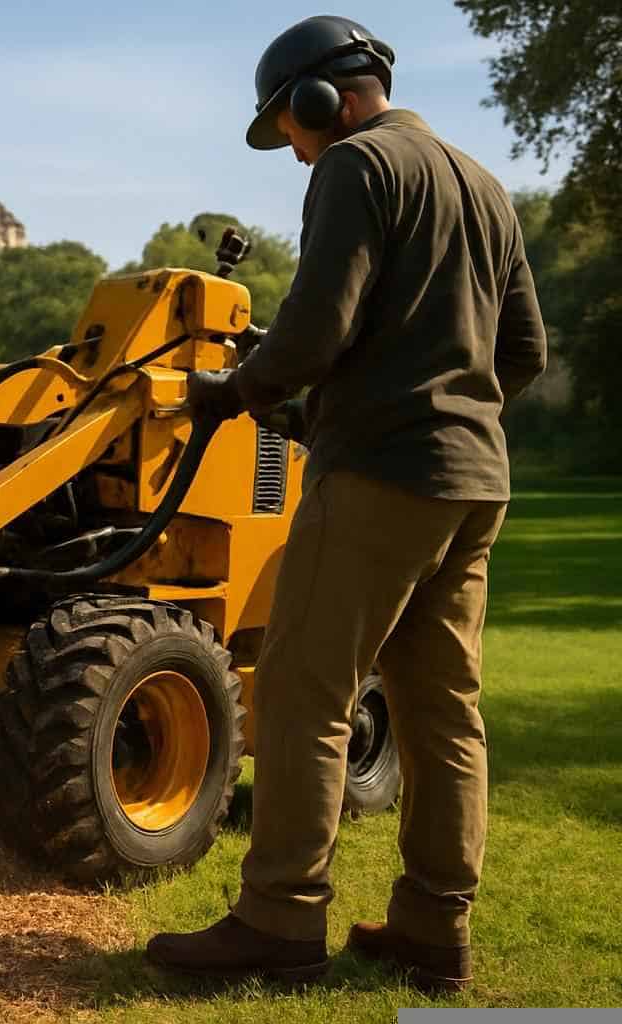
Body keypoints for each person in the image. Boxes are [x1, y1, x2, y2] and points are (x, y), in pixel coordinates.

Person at [145, 14, 547, 991]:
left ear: (325, 97)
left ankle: (279, 920)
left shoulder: (357, 167)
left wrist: (233, 393)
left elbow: (315, 329)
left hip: (380, 475)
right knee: (442, 707)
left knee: (301, 691)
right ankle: (431, 930)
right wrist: (451, 406)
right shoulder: (484, 185)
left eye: (288, 125)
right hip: (474, 483)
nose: (292, 147)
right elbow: (526, 351)